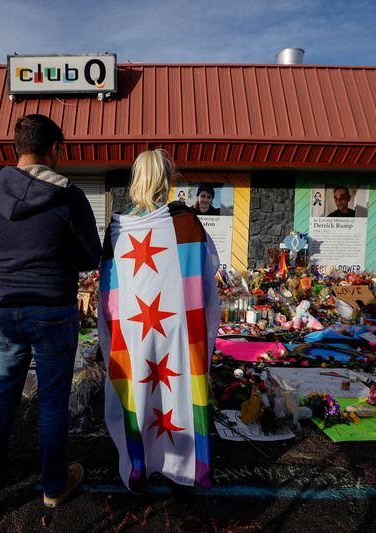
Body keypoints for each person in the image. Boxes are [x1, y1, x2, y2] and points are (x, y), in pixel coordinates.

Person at [0, 114, 101, 507]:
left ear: (18, 148)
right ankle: (53, 486)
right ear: (55, 149)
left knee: (4, 393)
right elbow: (91, 255)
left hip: (6, 308)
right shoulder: (69, 196)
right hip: (52, 309)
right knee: (51, 401)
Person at [98, 149, 220, 494]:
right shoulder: (185, 223)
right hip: (179, 327)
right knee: (177, 389)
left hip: (134, 328)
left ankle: (141, 465)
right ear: (167, 181)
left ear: (136, 179)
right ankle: (180, 464)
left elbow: (107, 292)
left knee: (140, 391)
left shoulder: (117, 229)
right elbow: (207, 275)